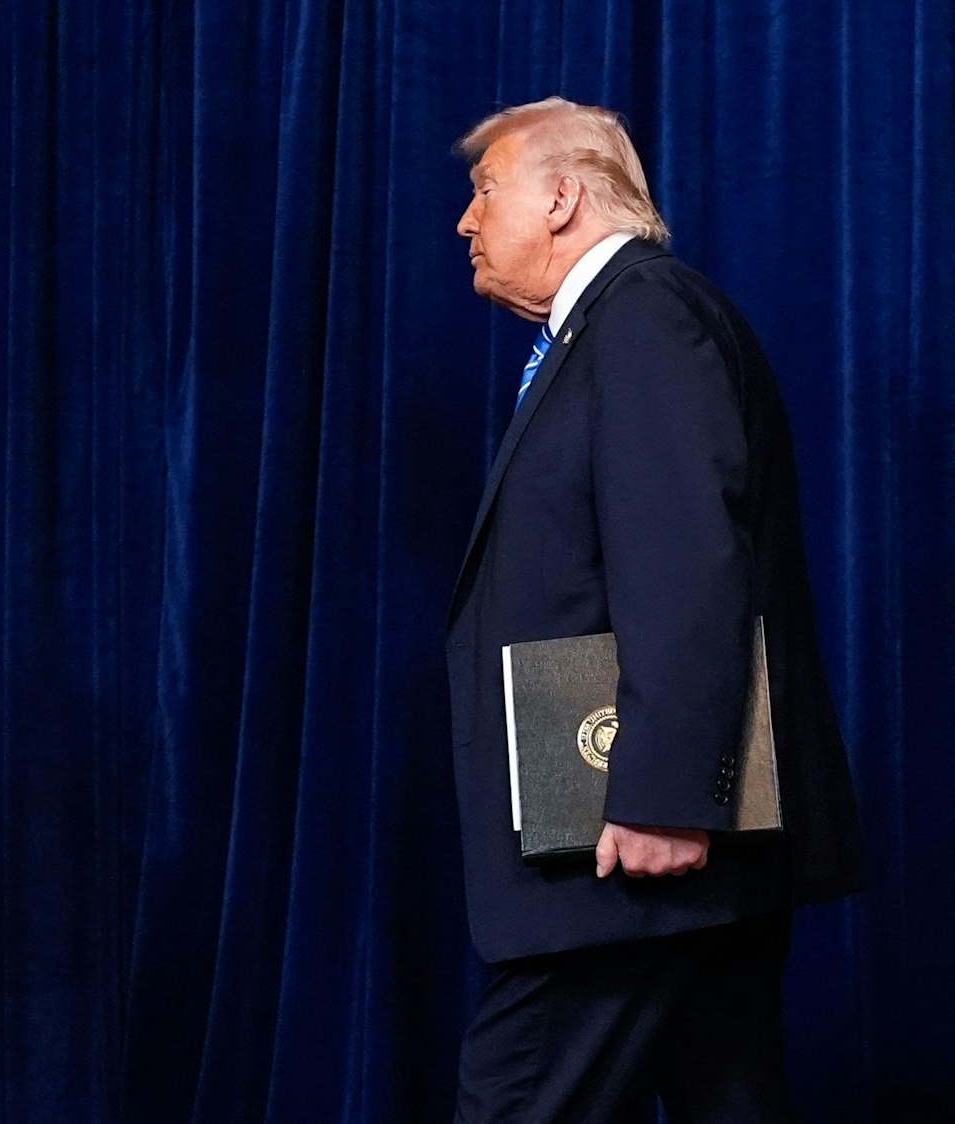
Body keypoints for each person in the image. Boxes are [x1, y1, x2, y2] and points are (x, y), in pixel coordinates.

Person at [443, 98, 863, 1120]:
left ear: (559, 199)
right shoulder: (613, 326)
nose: (465, 219)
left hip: (629, 847)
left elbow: (684, 561)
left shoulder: (641, 317)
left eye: (485, 189)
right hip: (665, 850)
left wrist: (664, 796)